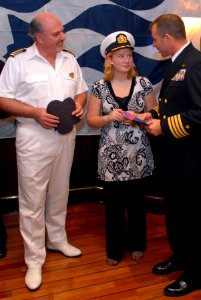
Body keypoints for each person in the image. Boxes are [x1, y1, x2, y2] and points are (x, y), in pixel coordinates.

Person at [0, 12, 88, 291]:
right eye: (57, 33)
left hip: (66, 137)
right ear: (38, 36)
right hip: (33, 138)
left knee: (60, 192)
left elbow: (81, 90)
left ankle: (57, 239)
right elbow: (3, 98)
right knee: (32, 199)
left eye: (62, 32)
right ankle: (34, 258)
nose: (63, 37)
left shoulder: (69, 59)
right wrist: (34, 113)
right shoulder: (18, 62)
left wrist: (79, 104)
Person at [140, 14, 201, 297]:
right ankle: (180, 257)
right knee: (175, 214)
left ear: (167, 37)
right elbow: (171, 105)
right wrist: (150, 115)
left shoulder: (195, 64)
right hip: (175, 158)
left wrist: (162, 126)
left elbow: (199, 114)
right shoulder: (176, 64)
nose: (153, 46)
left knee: (191, 218)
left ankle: (196, 273)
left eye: (154, 39)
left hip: (191, 160)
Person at [86, 31, 157, 266]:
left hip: (138, 155)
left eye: (129, 55)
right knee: (114, 206)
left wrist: (140, 116)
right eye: (121, 56)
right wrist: (108, 118)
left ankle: (137, 244)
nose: (126, 60)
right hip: (111, 157)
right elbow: (91, 120)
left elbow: (155, 114)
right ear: (109, 60)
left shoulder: (143, 83)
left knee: (137, 202)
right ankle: (115, 249)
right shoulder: (99, 87)